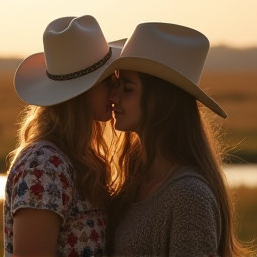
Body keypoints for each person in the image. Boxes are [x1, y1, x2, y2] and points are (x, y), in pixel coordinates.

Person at [103, 22, 256, 256]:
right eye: (116, 84)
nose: (113, 96)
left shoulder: (189, 197)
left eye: (128, 88)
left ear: (159, 100)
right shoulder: (134, 180)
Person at [3, 15, 125, 257]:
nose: (115, 94)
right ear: (81, 92)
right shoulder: (44, 166)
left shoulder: (75, 157)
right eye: (107, 82)